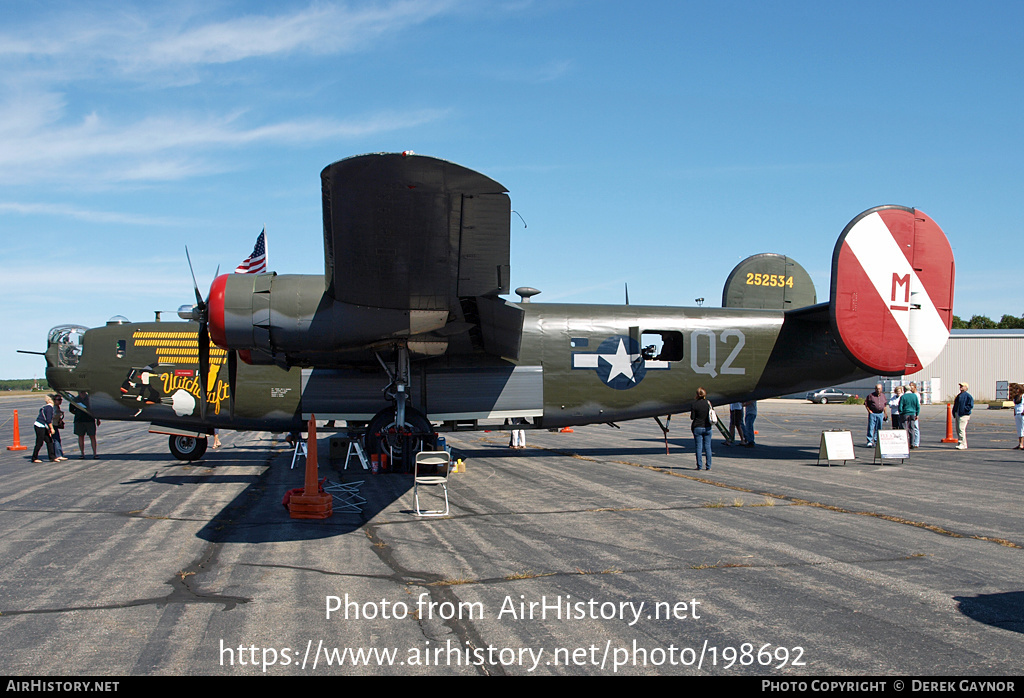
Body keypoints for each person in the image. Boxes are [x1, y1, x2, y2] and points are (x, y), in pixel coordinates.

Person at [690, 388, 713, 470]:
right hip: (707, 427)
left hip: (697, 426)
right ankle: (708, 466)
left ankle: (699, 466)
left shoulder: (694, 404)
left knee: (698, 447)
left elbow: (692, 417)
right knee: (708, 447)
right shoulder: (708, 403)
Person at [32, 395, 57, 463]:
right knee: (39, 442)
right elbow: (48, 420)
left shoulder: (45, 407)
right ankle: (34, 458)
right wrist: (51, 428)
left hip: (43, 426)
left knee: (49, 441)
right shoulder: (49, 408)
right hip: (39, 426)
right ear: (50, 400)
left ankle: (52, 457)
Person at [951, 382, 974, 450]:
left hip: (964, 415)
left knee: (961, 429)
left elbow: (970, 405)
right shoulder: (959, 396)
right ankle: (963, 443)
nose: (961, 387)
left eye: (962, 386)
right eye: (960, 386)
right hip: (958, 414)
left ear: (966, 388)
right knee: (958, 429)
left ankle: (962, 443)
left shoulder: (968, 396)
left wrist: (964, 410)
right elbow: (956, 405)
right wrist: (954, 412)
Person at [864, 383, 887, 447]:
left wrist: (885, 414)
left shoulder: (883, 396)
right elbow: (866, 404)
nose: (878, 390)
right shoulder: (871, 396)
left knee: (879, 428)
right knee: (871, 427)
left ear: (881, 389)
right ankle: (870, 441)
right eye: (877, 388)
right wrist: (869, 411)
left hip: (880, 414)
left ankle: (877, 440)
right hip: (873, 413)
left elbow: (884, 405)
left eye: (879, 389)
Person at [900, 382, 921, 449]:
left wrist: (901, 412)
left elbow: (900, 406)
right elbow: (918, 406)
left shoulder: (903, 396)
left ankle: (905, 442)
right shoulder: (914, 396)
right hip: (912, 413)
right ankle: (912, 443)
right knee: (912, 428)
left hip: (905, 413)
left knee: (904, 428)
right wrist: (917, 414)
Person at [51, 395, 68, 461]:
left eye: (61, 400)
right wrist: (60, 414)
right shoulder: (54, 407)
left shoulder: (56, 407)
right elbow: (54, 415)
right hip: (52, 425)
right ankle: (58, 455)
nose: (60, 401)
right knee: (56, 440)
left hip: (54, 424)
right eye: (58, 400)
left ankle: (56, 454)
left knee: (55, 440)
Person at [1011, 383, 1024, 450]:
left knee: (1023, 429)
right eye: (1015, 389)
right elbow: (1015, 406)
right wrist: (1015, 413)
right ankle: (1020, 443)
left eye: (1017, 389)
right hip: (1017, 414)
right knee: (1019, 429)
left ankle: (1022, 444)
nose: (1016, 390)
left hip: (1022, 414)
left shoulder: (1023, 396)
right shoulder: (1015, 397)